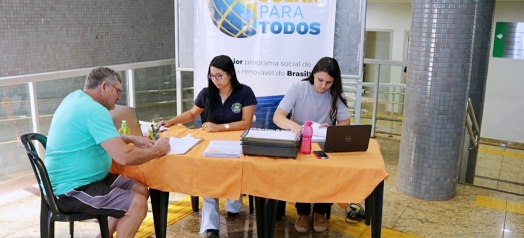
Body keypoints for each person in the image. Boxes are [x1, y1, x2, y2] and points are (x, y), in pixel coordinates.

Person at [44, 67, 171, 238]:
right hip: (70, 190)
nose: (119, 97)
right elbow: (124, 156)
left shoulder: (75, 98)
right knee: (137, 204)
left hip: (88, 179)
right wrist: (157, 150)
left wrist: (130, 138)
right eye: (117, 91)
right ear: (104, 86)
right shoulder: (94, 111)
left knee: (141, 190)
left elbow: (95, 133)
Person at [162, 55, 257, 238]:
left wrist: (220, 127)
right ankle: (210, 227)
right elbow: (191, 114)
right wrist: (171, 121)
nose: (215, 80)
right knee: (209, 177)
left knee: (233, 171)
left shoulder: (244, 92)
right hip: (210, 144)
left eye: (219, 76)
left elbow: (246, 123)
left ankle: (233, 204)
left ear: (230, 74)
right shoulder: (207, 93)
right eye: (211, 76)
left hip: (235, 142)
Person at [273, 57, 350, 233]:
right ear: (313, 74)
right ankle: (303, 212)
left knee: (327, 170)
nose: (323, 86)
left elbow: (345, 123)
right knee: (303, 170)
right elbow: (278, 116)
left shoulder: (336, 94)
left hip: (323, 142)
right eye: (320, 80)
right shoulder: (299, 88)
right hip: (300, 141)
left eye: (328, 82)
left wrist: (332, 129)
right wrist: (293, 125)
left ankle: (320, 212)